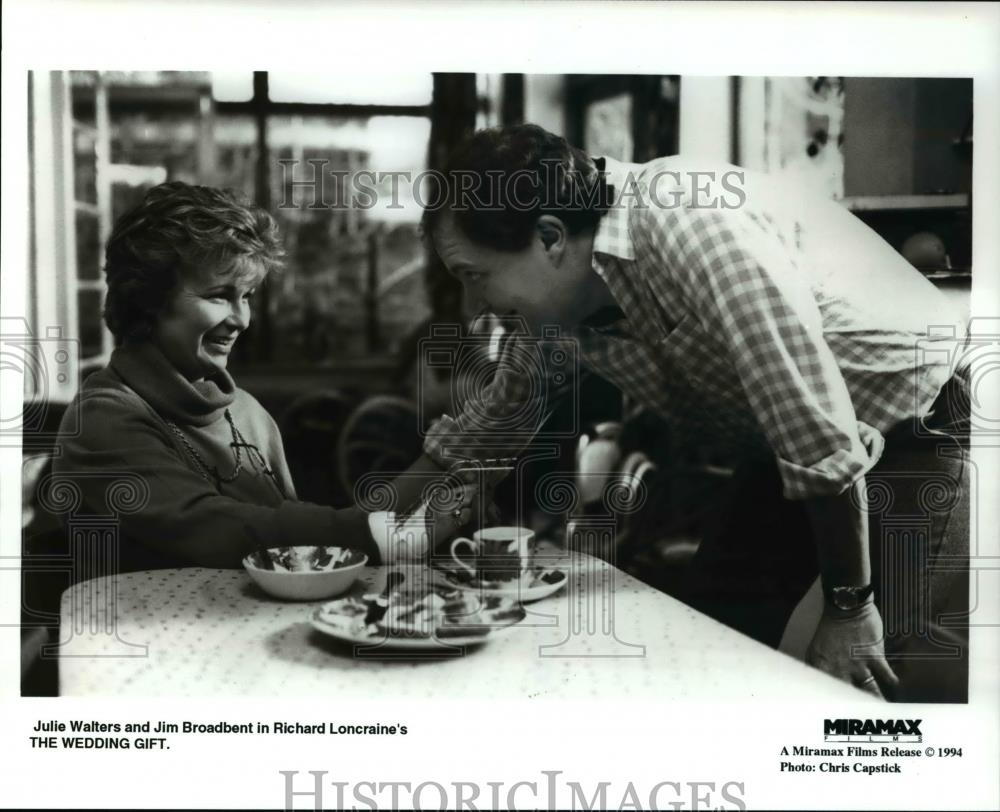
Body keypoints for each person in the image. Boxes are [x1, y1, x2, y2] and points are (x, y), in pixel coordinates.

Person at [412, 124, 970, 702]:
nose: (476, 308)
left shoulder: (687, 219)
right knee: (712, 645)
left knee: (875, 682)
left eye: (475, 276)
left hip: (921, 424)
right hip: (796, 453)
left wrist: (849, 607)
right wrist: (363, 525)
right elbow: (493, 424)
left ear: (550, 237)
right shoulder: (561, 299)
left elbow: (815, 433)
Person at [52, 182, 471, 573]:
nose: (241, 320)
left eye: (247, 296)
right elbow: (243, 536)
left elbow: (293, 553)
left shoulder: (247, 412)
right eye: (219, 295)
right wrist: (434, 465)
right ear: (146, 300)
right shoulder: (103, 420)